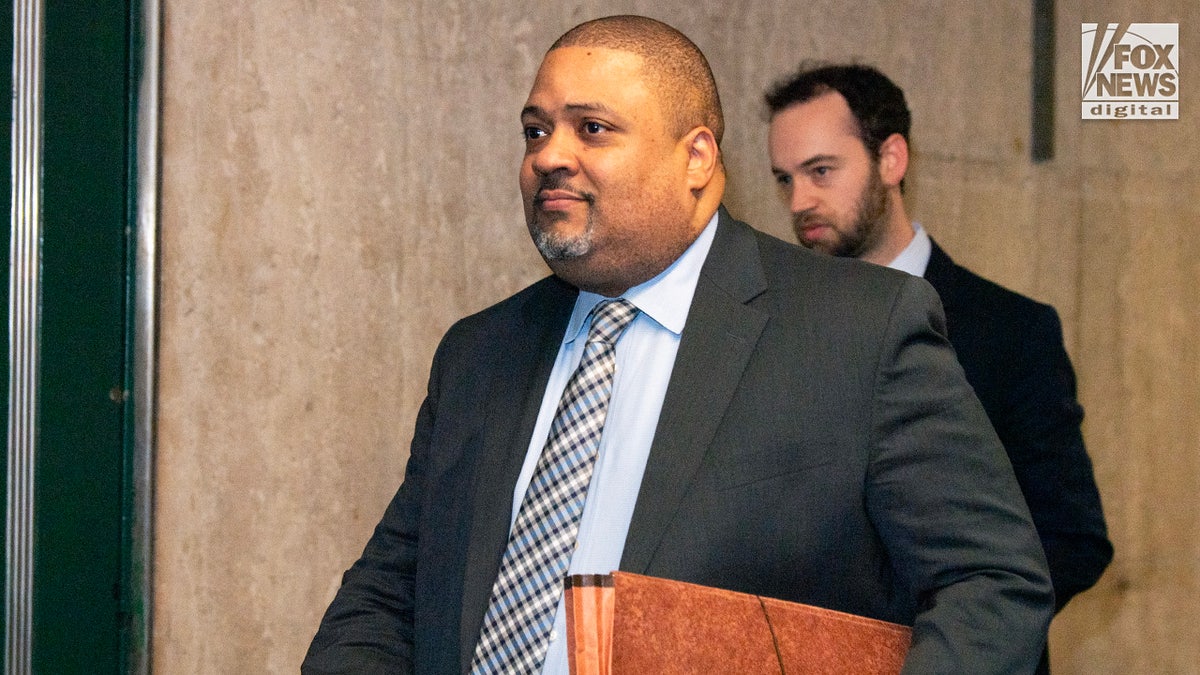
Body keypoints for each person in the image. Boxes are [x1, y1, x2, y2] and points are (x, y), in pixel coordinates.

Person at [304, 16, 1054, 675]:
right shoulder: (479, 353)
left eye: (591, 128)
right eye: (536, 130)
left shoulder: (859, 330)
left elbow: (991, 582)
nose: (550, 156)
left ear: (696, 158)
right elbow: (386, 596)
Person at [764, 62, 1113, 674]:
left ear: (891, 159)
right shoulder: (776, 331)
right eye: (784, 179)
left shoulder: (1012, 331)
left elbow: (1072, 537)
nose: (800, 202)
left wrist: (941, 636)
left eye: (821, 171)